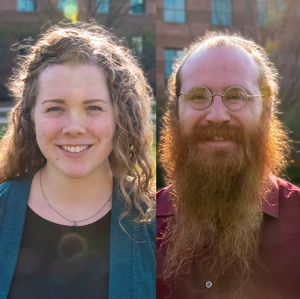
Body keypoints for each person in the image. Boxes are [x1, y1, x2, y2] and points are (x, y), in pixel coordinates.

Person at [0, 22, 155, 299]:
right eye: (55, 108)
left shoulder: (158, 225)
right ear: (31, 118)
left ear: (120, 117)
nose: (74, 127)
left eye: (93, 107)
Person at [157, 32, 300, 299]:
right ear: (176, 112)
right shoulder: (136, 229)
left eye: (237, 96)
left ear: (267, 111)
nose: (218, 116)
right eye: (199, 96)